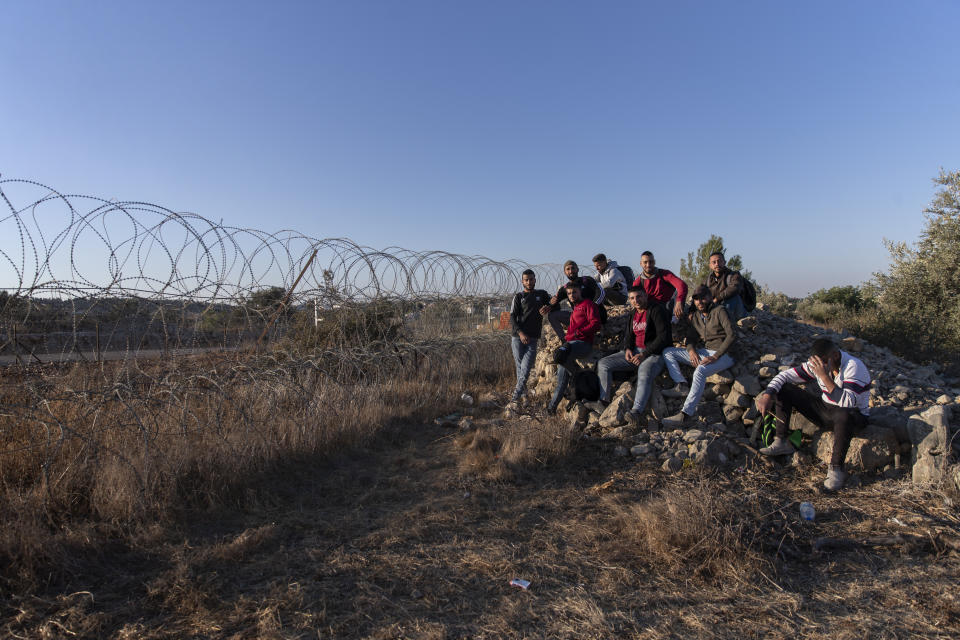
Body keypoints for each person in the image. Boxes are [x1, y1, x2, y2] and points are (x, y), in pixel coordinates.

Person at [757, 338, 871, 491]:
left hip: (853, 416)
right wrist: (767, 395)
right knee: (784, 389)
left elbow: (847, 402)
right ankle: (781, 441)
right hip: (827, 410)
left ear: (835, 356)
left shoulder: (853, 366)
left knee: (844, 415)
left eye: (824, 362)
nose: (819, 367)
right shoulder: (817, 365)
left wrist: (824, 376)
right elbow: (783, 376)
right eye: (817, 363)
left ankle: (836, 468)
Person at [586, 287, 670, 425]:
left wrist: (644, 354)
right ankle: (603, 401)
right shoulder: (633, 313)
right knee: (603, 363)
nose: (636, 300)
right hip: (636, 352)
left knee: (644, 371)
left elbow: (663, 337)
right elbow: (629, 336)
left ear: (645, 296)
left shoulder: (656, 310)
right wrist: (627, 349)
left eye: (639, 297)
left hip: (654, 354)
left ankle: (636, 411)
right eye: (632, 298)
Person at [660, 285, 736, 427]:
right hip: (705, 352)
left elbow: (732, 335)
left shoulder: (720, 311)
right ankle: (681, 384)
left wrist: (716, 356)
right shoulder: (696, 317)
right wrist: (691, 350)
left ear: (709, 297)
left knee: (700, 371)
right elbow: (690, 338)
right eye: (696, 299)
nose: (700, 301)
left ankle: (685, 414)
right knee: (668, 352)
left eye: (703, 298)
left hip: (725, 354)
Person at [546, 280, 602, 415]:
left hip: (583, 344)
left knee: (561, 355)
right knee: (561, 380)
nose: (572, 295)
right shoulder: (575, 308)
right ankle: (550, 409)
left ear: (580, 292)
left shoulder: (588, 304)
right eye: (569, 293)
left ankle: (577, 374)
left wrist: (579, 333)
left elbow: (596, 324)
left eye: (574, 292)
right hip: (571, 344)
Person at [508, 269, 551, 404]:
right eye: (526, 280)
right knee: (520, 368)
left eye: (531, 279)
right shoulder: (519, 297)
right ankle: (523, 396)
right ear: (522, 282)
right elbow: (512, 317)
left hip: (532, 337)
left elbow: (554, 303)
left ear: (535, 280)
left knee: (525, 369)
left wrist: (548, 307)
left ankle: (514, 398)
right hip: (518, 337)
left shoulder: (542, 294)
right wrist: (521, 333)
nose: (529, 282)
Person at [540, 260, 606, 341]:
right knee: (552, 315)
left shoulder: (587, 280)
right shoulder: (565, 288)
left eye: (573, 268)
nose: (571, 271)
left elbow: (600, 292)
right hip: (580, 318)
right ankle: (564, 340)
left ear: (577, 269)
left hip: (594, 315)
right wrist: (549, 306)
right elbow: (555, 301)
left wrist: (592, 307)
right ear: (564, 272)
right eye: (568, 269)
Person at [631, 251, 688, 322]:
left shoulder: (664, 274)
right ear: (641, 263)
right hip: (651, 309)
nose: (648, 265)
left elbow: (682, 285)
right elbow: (634, 299)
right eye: (645, 262)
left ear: (654, 262)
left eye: (651, 262)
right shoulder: (638, 282)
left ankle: (674, 320)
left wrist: (679, 301)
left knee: (676, 294)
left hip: (668, 307)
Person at [705, 252, 747, 321]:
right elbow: (699, 292)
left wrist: (717, 298)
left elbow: (735, 288)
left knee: (732, 298)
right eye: (714, 262)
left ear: (724, 262)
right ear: (710, 265)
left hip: (737, 312)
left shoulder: (734, 275)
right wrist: (691, 311)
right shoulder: (708, 280)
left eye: (719, 261)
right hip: (719, 311)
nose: (717, 264)